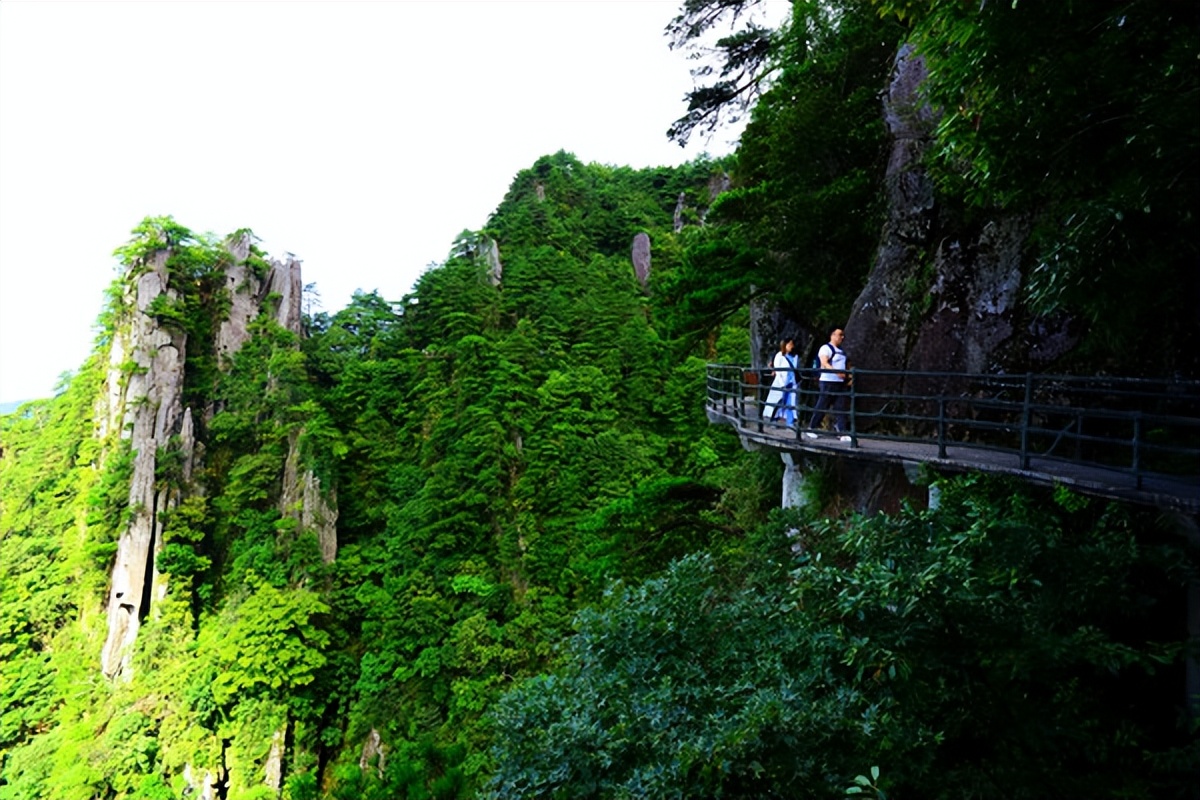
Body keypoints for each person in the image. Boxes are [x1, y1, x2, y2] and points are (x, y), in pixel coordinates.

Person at [805, 326, 853, 441]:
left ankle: (842, 431)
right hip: (828, 381)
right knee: (822, 404)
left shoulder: (841, 351)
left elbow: (846, 365)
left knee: (840, 407)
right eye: (839, 334)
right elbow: (824, 362)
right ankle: (812, 427)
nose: (842, 337)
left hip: (840, 383)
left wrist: (848, 376)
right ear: (832, 335)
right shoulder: (825, 348)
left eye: (842, 335)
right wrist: (837, 373)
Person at [762, 338, 798, 426]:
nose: (791, 346)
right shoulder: (779, 355)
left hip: (791, 382)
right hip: (781, 382)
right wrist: (782, 383)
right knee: (778, 401)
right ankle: (773, 419)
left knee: (789, 402)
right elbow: (778, 370)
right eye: (789, 344)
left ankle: (790, 422)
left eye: (792, 344)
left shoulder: (794, 356)